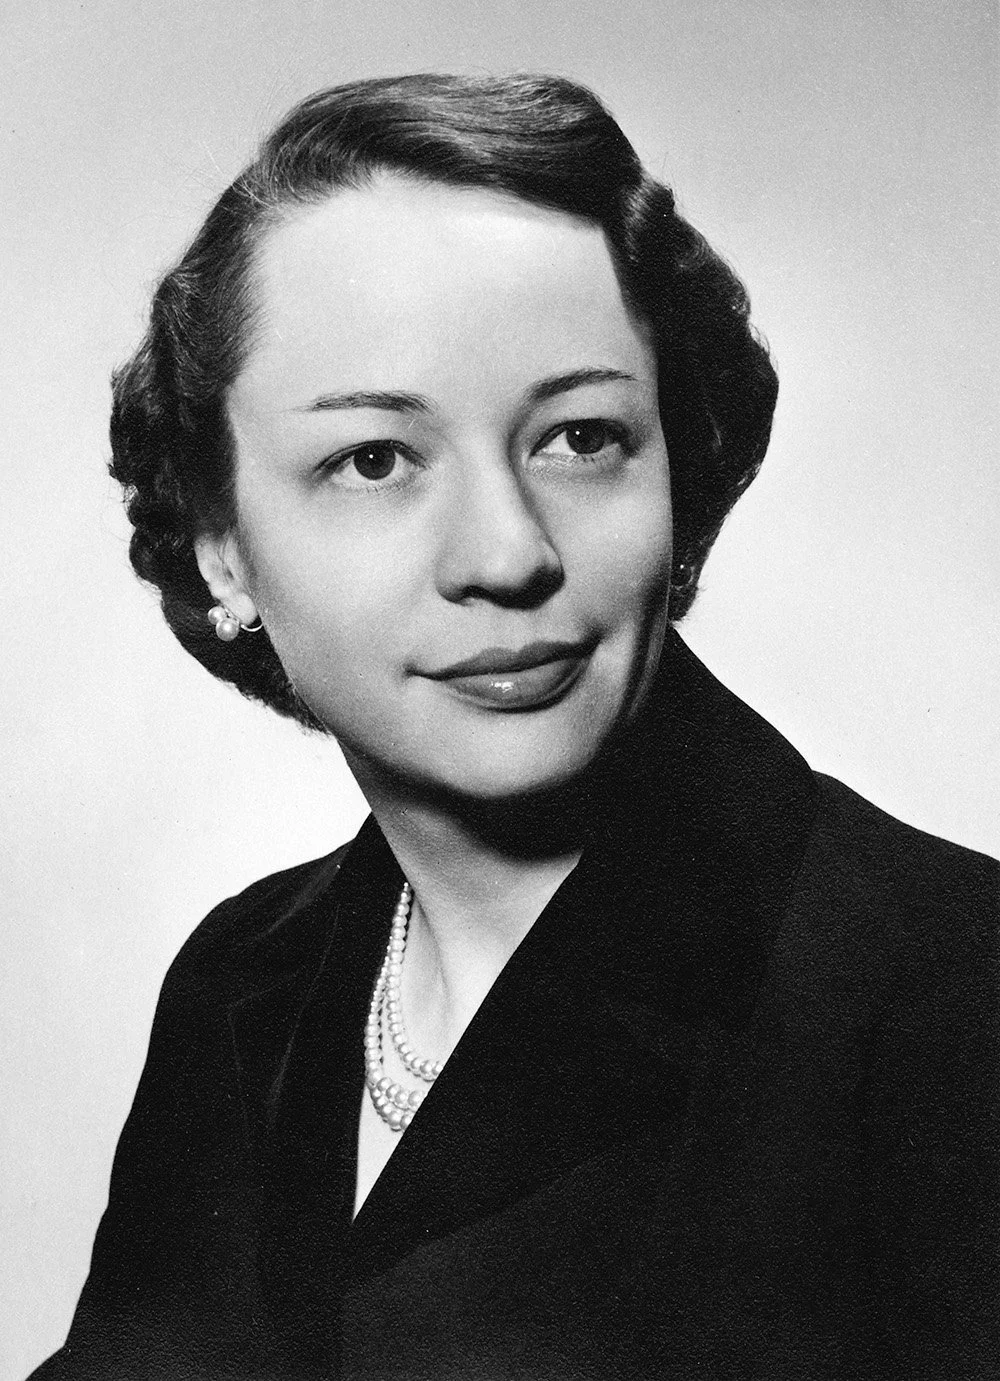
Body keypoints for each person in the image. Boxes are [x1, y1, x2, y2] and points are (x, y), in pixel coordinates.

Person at [31, 73, 998, 1381]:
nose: (506, 552)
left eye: (583, 437)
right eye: (375, 458)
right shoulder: (243, 985)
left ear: (680, 476)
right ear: (223, 554)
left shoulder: (953, 997)